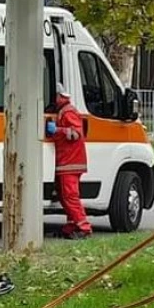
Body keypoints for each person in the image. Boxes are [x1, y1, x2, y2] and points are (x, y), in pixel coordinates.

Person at [46, 83, 91, 239]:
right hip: (67, 162)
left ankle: (83, 227)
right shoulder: (63, 111)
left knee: (70, 196)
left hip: (71, 162)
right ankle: (72, 226)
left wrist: (57, 130)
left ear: (60, 96)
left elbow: (76, 134)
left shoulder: (68, 112)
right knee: (65, 196)